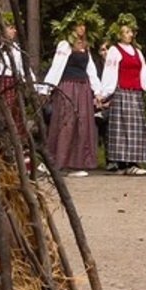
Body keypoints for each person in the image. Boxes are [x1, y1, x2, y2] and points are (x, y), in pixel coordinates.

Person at [43, 9, 103, 177]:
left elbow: (91, 70)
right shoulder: (65, 44)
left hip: (83, 88)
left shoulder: (86, 46)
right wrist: (47, 87)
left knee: (81, 123)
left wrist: (97, 91)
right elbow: (57, 67)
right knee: (66, 123)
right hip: (68, 87)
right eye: (79, 25)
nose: (82, 28)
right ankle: (58, 162)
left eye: (84, 25)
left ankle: (75, 163)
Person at [98, 16, 146, 175]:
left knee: (135, 128)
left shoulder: (137, 51)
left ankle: (132, 162)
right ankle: (122, 163)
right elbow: (110, 72)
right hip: (122, 93)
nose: (129, 34)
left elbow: (143, 72)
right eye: (125, 31)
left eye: (130, 31)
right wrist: (105, 93)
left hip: (135, 94)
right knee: (121, 128)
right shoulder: (114, 50)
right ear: (119, 34)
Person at [0, 15, 27, 136]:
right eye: (11, 28)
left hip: (12, 82)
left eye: (15, 28)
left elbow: (21, 69)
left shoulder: (16, 49)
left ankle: (15, 143)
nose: (15, 31)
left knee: (14, 113)